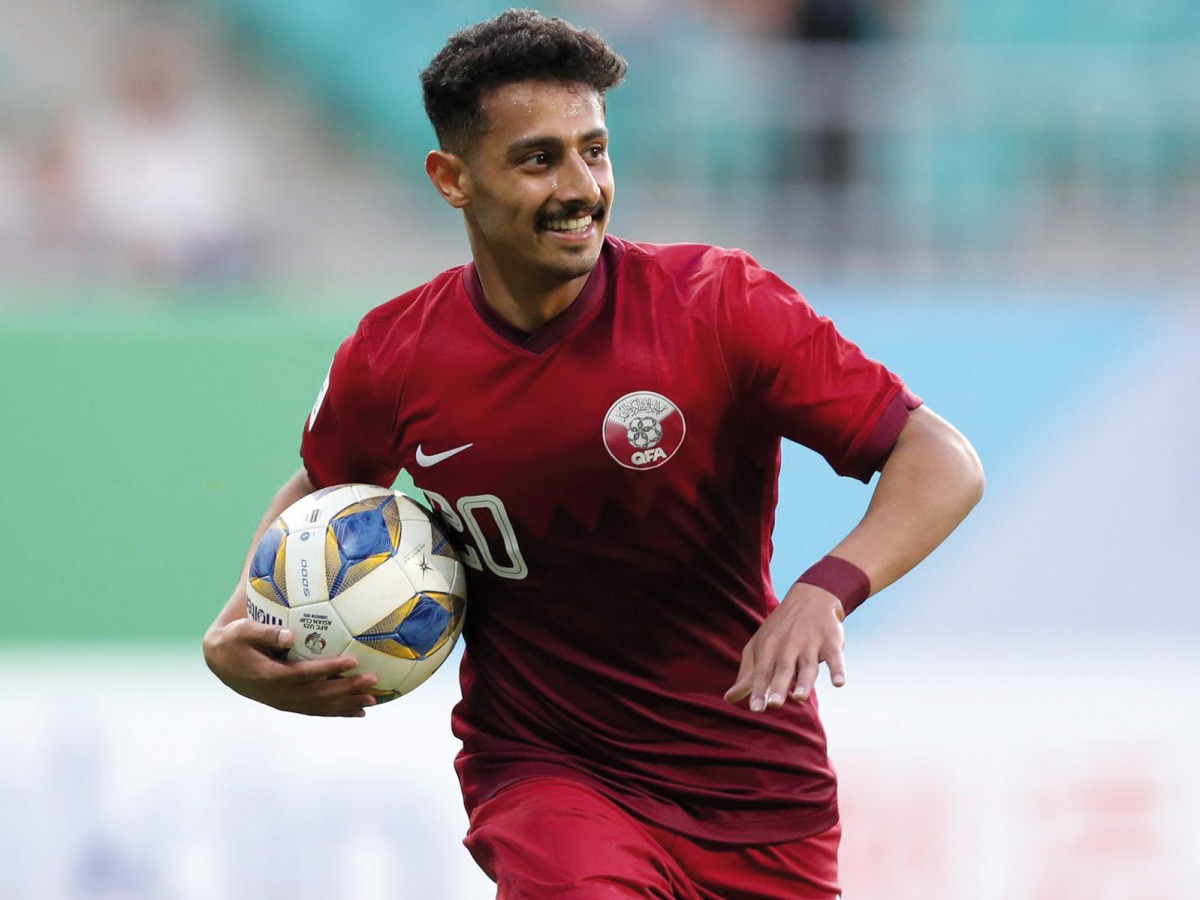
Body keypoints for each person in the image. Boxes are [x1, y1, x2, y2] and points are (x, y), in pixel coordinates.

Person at [203, 10, 984, 899]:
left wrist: (828, 589)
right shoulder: (393, 357)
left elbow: (941, 458)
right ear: (451, 178)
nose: (582, 186)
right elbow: (322, 488)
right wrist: (238, 632)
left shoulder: (718, 306)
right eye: (539, 159)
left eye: (596, 150)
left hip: (755, 783)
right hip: (546, 770)